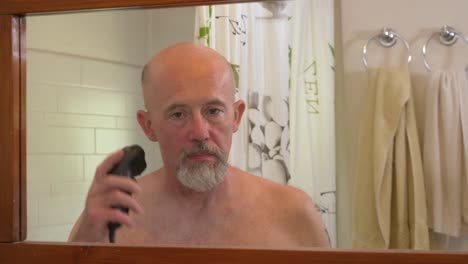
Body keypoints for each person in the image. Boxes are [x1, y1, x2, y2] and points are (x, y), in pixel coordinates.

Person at [68, 42, 329, 248]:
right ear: (148, 125)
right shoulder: (111, 219)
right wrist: (84, 242)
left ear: (236, 116)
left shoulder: (294, 213)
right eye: (178, 114)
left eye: (213, 110)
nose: (200, 133)